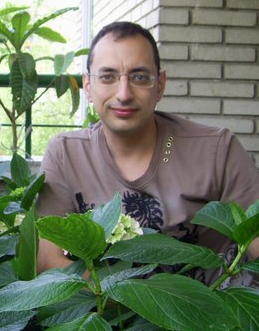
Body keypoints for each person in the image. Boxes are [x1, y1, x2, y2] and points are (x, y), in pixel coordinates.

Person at [36, 21, 259, 287]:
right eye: (107, 77)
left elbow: (255, 240)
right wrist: (144, 300)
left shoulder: (217, 149)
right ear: (87, 86)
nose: (124, 94)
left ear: (160, 85)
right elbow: (47, 261)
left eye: (140, 77)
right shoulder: (65, 154)